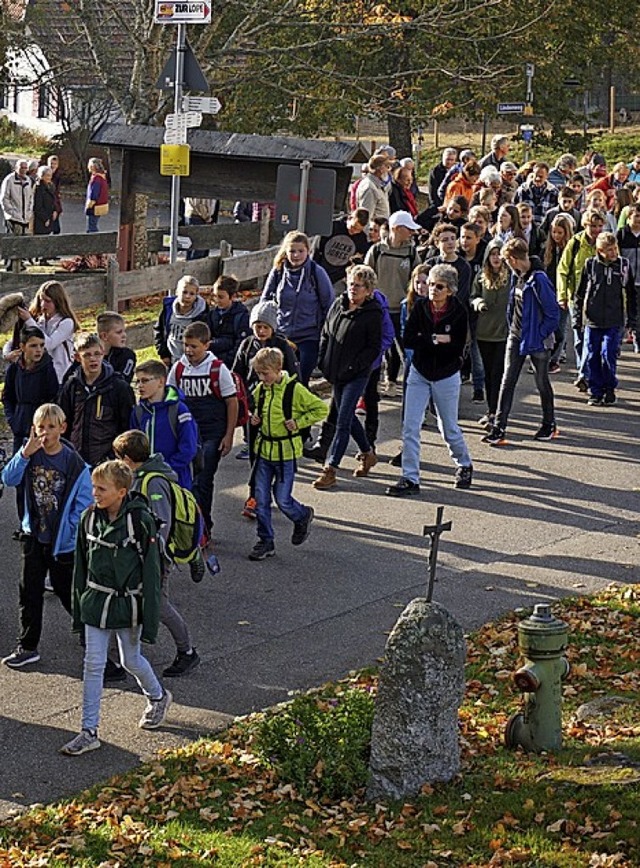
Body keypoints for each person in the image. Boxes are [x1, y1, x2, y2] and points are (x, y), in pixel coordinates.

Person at [59, 460, 171, 755]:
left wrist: (150, 622)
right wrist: (78, 608)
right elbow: (80, 567)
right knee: (93, 664)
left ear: (122, 492)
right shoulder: (88, 518)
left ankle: (157, 697)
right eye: (94, 487)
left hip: (127, 604)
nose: (94, 493)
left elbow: (151, 574)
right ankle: (89, 730)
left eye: (101, 488)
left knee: (131, 660)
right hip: (96, 602)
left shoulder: (140, 522)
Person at [1, 403, 92, 669]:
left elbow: (83, 502)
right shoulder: (30, 455)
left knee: (68, 593)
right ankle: (28, 646)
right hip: (33, 537)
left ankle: (92, 637)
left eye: (51, 427)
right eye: (41, 427)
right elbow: (8, 479)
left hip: (61, 543)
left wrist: (70, 532)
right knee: (29, 592)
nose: (45, 432)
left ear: (62, 428)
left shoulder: (74, 463)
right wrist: (25, 453)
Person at [113, 430, 201, 676]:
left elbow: (161, 524)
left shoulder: (153, 483)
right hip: (139, 555)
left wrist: (149, 557)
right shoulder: (140, 477)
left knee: (159, 605)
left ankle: (187, 652)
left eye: (118, 457)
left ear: (128, 458)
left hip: (154, 558)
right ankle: (120, 659)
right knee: (129, 602)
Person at [386, 263, 473, 496]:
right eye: (431, 284)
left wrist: (430, 340)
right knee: (410, 427)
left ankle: (464, 464)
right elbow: (409, 339)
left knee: (448, 427)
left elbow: (456, 346)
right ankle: (409, 477)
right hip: (419, 372)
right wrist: (435, 338)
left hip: (446, 375)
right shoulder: (421, 306)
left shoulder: (459, 312)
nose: (432, 289)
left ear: (450, 290)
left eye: (439, 286)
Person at [248, 348, 327, 560]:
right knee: (261, 500)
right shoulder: (261, 390)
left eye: (265, 373)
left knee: (282, 499)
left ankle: (301, 515)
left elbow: (321, 409)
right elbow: (256, 408)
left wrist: (299, 423)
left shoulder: (294, 390)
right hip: (264, 452)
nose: (262, 378)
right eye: (259, 374)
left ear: (278, 369)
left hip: (285, 453)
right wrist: (254, 417)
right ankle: (265, 540)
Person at [482, 238, 560, 446]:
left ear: (514, 259)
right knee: (507, 381)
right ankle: (499, 427)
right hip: (516, 336)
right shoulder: (518, 276)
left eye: (507, 260)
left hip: (536, 340)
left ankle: (549, 424)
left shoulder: (539, 280)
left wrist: (539, 334)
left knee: (542, 381)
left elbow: (553, 313)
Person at [312, 264, 382, 490]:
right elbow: (326, 333)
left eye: (359, 285)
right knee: (347, 416)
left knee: (342, 421)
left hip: (356, 374)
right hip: (335, 371)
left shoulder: (373, 314)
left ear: (368, 289)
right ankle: (367, 452)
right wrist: (323, 360)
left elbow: (373, 348)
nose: (353, 288)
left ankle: (330, 468)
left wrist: (354, 367)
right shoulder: (338, 305)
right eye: (351, 284)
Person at [167, 321, 238, 535]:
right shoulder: (179, 367)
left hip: (212, 433)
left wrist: (229, 435)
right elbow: (170, 395)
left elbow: (231, 402)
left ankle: (204, 526)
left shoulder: (218, 369)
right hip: (188, 433)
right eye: (186, 345)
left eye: (194, 346)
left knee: (204, 479)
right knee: (187, 479)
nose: (188, 350)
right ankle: (189, 524)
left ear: (207, 345)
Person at [233, 300, 299, 515]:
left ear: (273, 327)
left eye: (265, 327)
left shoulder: (282, 347)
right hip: (255, 411)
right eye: (257, 326)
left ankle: (278, 493)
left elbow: (295, 380)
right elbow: (237, 373)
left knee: (275, 458)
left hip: (278, 413)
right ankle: (255, 496)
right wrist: (242, 402)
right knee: (255, 455)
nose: (260, 331)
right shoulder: (246, 345)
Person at [3, 325, 60, 529]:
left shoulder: (47, 369)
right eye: (33, 346)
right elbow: (7, 397)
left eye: (42, 346)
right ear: (22, 347)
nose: (38, 351)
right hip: (20, 428)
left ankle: (41, 522)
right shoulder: (15, 369)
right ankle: (23, 524)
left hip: (40, 431)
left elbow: (54, 397)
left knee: (39, 478)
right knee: (19, 478)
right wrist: (13, 419)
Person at [260, 231, 334, 386]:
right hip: (283, 334)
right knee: (279, 380)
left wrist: (326, 335)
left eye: (301, 251)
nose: (296, 255)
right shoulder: (278, 272)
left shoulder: (316, 273)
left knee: (301, 381)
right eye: (292, 251)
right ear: (285, 252)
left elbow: (328, 304)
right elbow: (265, 301)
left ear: (308, 251)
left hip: (309, 336)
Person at [573, 233, 637, 406]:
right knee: (592, 356)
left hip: (614, 320)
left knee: (608, 353)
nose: (613, 253)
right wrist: (577, 318)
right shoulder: (591, 265)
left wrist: (632, 320)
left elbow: (631, 294)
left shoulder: (623, 265)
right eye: (609, 250)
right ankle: (595, 391)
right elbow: (579, 294)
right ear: (600, 251)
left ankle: (609, 388)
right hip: (592, 320)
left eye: (615, 249)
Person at [57, 332, 136, 467]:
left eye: (97, 354)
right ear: (77, 357)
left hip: (107, 462)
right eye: (87, 355)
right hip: (76, 460)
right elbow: (63, 422)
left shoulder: (118, 387)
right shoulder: (71, 385)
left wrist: (114, 457)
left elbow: (126, 427)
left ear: (103, 353)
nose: (93, 359)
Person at [365, 210, 420, 396]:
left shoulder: (411, 252)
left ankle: (396, 381)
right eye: (408, 229)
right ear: (396, 229)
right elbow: (366, 275)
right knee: (376, 347)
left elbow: (416, 278)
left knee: (401, 348)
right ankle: (373, 386)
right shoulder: (377, 250)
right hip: (379, 308)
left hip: (401, 309)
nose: (411, 233)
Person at [130, 359, 199, 491]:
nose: (140, 386)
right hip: (143, 480)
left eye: (144, 380)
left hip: (175, 480)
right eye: (137, 381)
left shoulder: (178, 410)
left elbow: (188, 449)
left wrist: (163, 469)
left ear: (161, 381)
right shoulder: (138, 411)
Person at [557, 207, 606, 388]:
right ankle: (584, 371)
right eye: (593, 226)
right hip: (576, 297)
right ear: (585, 224)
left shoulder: (605, 244)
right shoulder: (575, 243)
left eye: (600, 226)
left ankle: (587, 373)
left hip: (598, 299)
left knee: (592, 339)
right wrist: (562, 295)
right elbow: (563, 270)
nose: (596, 230)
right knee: (579, 339)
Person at [470, 240, 511, 430]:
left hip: (504, 332)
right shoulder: (480, 275)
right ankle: (491, 410)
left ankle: (498, 412)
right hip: (484, 332)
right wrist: (478, 302)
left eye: (499, 253)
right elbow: (473, 295)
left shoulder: (511, 275)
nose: (496, 257)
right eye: (492, 254)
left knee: (498, 373)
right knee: (487, 373)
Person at [5, 281, 79, 383]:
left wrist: (29, 321)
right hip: (37, 374)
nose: (43, 304)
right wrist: (7, 354)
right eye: (41, 300)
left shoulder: (66, 322)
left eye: (48, 301)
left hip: (59, 375)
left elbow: (48, 345)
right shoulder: (38, 320)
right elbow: (15, 341)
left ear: (57, 302)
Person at [154, 275, 211, 367]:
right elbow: (159, 329)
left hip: (192, 360)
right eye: (184, 292)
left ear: (196, 295)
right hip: (171, 358)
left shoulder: (202, 315)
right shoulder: (168, 309)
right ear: (177, 292)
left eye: (192, 294)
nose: (187, 296)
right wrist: (163, 353)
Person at [544, 214, 575, 372]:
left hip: (563, 293)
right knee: (549, 327)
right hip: (548, 293)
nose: (556, 236)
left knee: (560, 329)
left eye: (560, 233)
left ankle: (554, 359)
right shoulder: (548, 249)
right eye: (554, 232)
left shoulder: (570, 249)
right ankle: (546, 358)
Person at [313, 209, 370, 293]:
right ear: (349, 218)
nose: (354, 232)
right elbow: (316, 249)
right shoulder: (333, 227)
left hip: (339, 278)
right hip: (321, 270)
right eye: (353, 227)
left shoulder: (361, 238)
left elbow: (360, 258)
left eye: (358, 230)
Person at [208, 275, 250, 368]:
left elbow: (241, 344)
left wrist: (225, 359)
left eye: (221, 297)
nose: (217, 300)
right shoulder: (212, 314)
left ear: (233, 296)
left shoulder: (241, 316)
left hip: (231, 364)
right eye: (215, 296)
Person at [1, 159, 34, 268]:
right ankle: (11, 264)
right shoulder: (9, 180)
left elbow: (30, 198)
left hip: (25, 216)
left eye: (25, 168)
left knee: (23, 241)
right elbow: (4, 199)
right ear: (16, 168)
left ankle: (19, 263)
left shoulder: (28, 180)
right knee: (13, 240)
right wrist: (12, 213)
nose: (23, 170)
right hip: (13, 217)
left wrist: (29, 212)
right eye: (21, 167)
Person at [356, 154, 391, 220]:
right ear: (381, 169)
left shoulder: (378, 185)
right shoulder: (369, 187)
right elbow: (366, 218)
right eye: (387, 167)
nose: (388, 170)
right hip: (374, 228)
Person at [33, 166, 57, 247]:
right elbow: (37, 206)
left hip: (49, 215)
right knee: (40, 240)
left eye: (50, 175)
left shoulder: (51, 186)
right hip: (41, 218)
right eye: (47, 175)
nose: (49, 177)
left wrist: (55, 210)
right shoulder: (38, 187)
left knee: (48, 237)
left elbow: (53, 200)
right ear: (42, 176)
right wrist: (45, 218)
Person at [85, 158, 109, 233]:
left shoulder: (96, 178)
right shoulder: (102, 177)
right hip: (100, 205)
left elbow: (94, 194)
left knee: (92, 226)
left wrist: (89, 205)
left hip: (95, 206)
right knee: (94, 224)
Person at [47, 155, 63, 235]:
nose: (52, 166)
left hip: (54, 203)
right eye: (51, 163)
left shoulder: (57, 176)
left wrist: (58, 209)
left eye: (55, 164)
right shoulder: (45, 176)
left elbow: (56, 193)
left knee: (56, 229)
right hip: (47, 204)